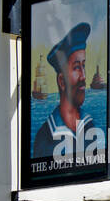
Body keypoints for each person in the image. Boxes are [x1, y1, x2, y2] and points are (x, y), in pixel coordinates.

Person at [32, 22, 102, 162]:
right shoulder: (46, 137)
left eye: (84, 66)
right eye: (76, 68)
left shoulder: (90, 126)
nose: (83, 76)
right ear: (62, 81)